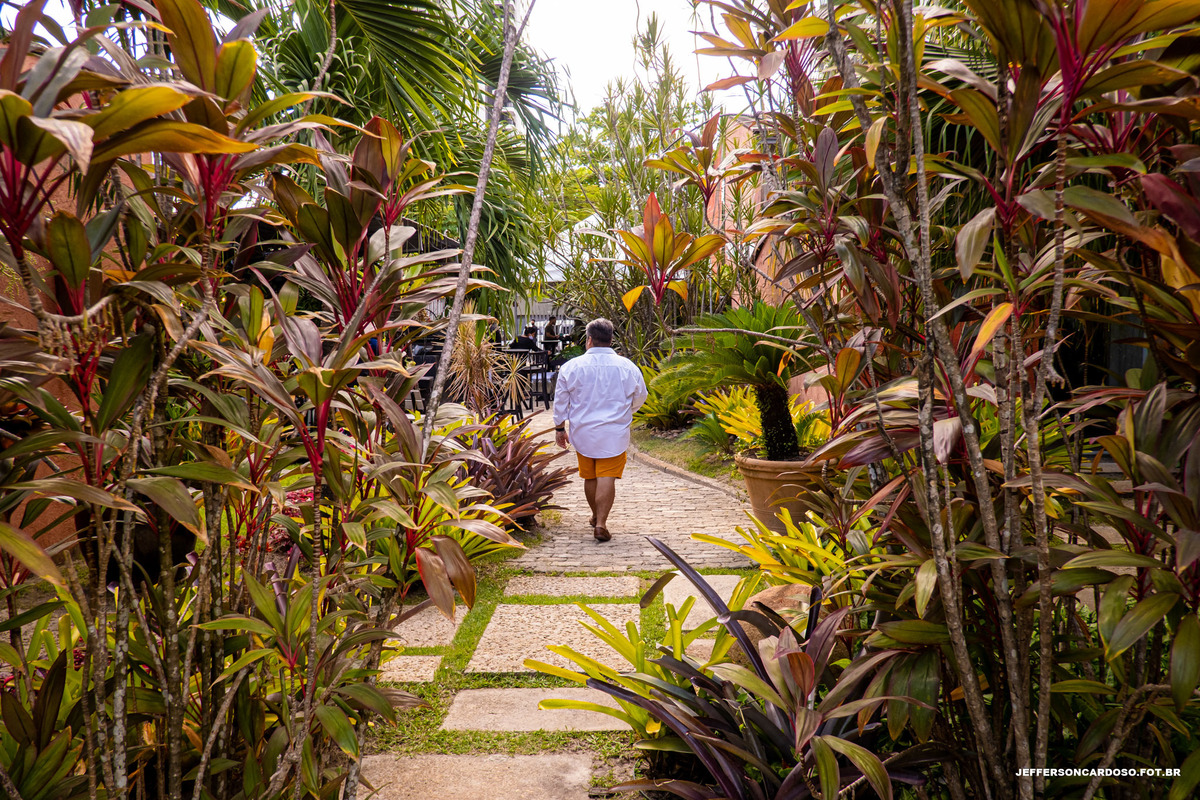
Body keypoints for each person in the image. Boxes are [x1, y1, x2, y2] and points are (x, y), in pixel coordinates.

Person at [552, 318, 648, 542]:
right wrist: (626, 410)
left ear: (589, 340)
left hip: (583, 431)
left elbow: (560, 402)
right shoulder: (627, 367)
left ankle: (595, 516)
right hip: (614, 431)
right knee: (607, 476)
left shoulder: (571, 367)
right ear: (611, 340)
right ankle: (602, 523)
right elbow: (640, 396)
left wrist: (559, 428)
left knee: (590, 476)